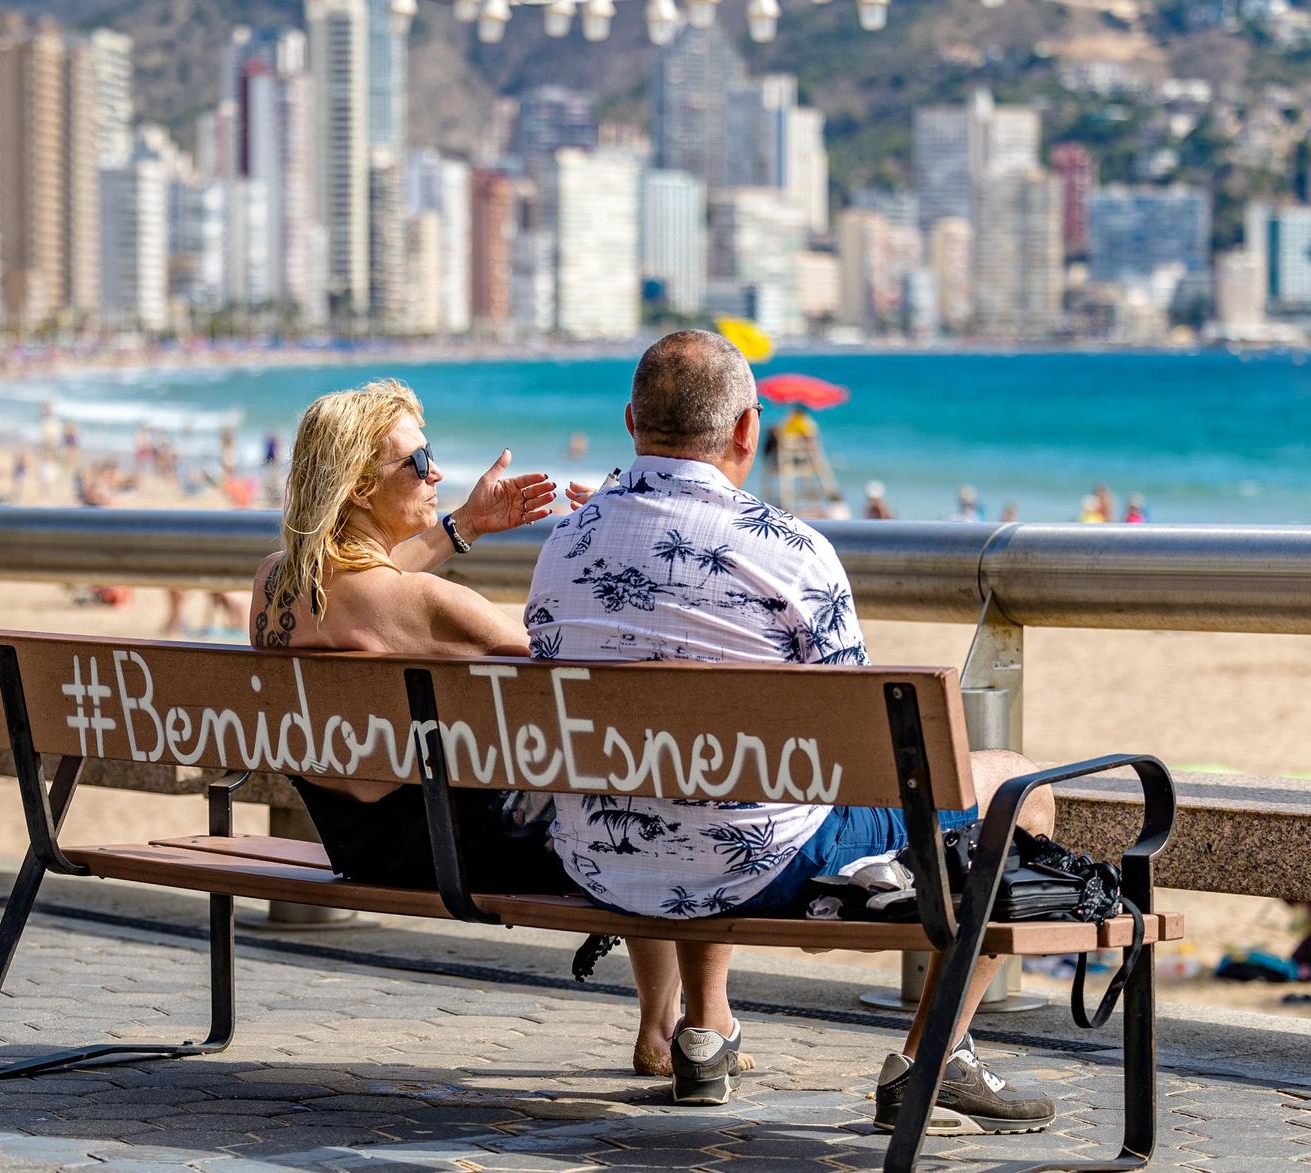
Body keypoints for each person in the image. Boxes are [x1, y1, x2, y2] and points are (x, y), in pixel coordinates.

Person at [530, 332, 1058, 1132]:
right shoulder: (791, 552)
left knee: (707, 776)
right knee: (1023, 789)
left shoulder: (562, 544)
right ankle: (932, 1061)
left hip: (600, 858)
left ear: (632, 422)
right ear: (749, 430)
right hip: (762, 865)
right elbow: (867, 747)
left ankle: (705, 1032)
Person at [248, 379, 671, 1067]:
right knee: (648, 788)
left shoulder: (278, 585)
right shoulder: (427, 604)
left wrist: (464, 525)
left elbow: (368, 583)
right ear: (359, 487)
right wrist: (619, 538)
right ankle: (667, 1026)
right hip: (462, 849)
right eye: (419, 461)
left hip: (355, 844)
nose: (437, 471)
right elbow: (584, 683)